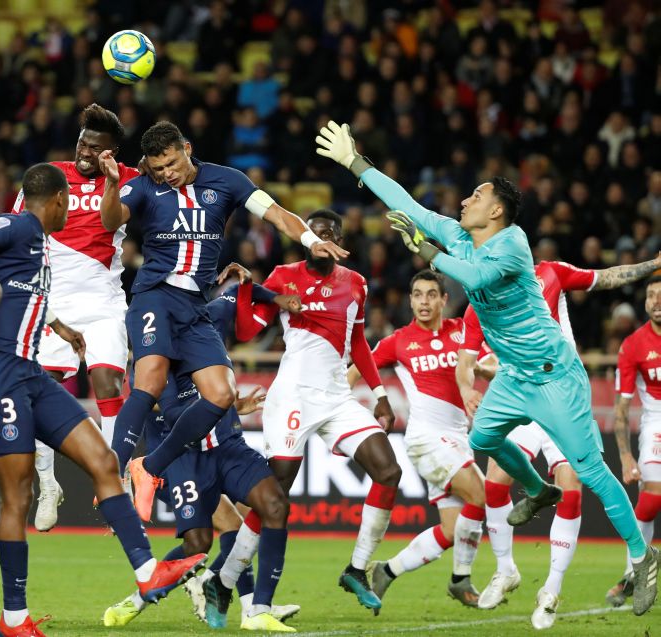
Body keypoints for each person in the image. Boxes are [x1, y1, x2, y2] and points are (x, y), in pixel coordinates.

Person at [314, 119, 658, 617]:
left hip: (554, 375)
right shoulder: (458, 234)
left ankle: (642, 556)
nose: (464, 200)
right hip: (515, 377)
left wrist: (426, 249)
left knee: (590, 471)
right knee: (481, 442)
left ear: (495, 209)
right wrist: (354, 162)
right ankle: (536, 489)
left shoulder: (513, 242)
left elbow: (473, 275)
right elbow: (408, 206)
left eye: (476, 195)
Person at [0, 163, 206, 637]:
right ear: (60, 200)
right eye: (71, 203)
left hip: (30, 374)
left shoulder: (44, 246)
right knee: (16, 496)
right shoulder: (21, 225)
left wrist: (59, 327)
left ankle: (148, 574)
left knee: (104, 461)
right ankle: (14, 619)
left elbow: (30, 296)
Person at [99, 121, 347, 522]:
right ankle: (109, 475)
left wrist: (310, 241)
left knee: (220, 393)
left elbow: (279, 215)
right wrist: (112, 185)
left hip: (195, 306)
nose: (167, 173)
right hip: (155, 295)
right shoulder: (142, 186)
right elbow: (111, 222)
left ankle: (148, 468)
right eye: (158, 167)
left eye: (172, 163)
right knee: (150, 378)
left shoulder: (227, 181)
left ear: (187, 148)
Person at [456, 253, 661, 626]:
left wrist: (651, 264)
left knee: (577, 483)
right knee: (495, 477)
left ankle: (551, 589)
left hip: (561, 392)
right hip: (517, 391)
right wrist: (469, 385)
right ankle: (506, 570)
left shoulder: (548, 274)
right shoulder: (479, 299)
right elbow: (466, 360)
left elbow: (608, 276)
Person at [218, 210, 398, 614]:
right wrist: (250, 290)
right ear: (304, 238)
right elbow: (248, 332)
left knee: (389, 470)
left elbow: (358, 343)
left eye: (331, 231)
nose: (323, 237)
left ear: (341, 239)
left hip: (336, 397)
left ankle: (356, 568)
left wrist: (380, 392)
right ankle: (225, 580)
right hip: (294, 397)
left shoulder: (356, 284)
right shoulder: (285, 275)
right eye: (316, 232)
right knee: (274, 497)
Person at [105, 263, 301, 632]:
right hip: (185, 458)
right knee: (199, 543)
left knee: (273, 504)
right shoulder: (150, 361)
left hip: (227, 445)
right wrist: (223, 402)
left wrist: (274, 297)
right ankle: (137, 600)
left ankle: (257, 609)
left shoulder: (206, 317)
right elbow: (168, 407)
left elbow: (240, 290)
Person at [10, 104, 141, 531]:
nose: (86, 151)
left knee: (107, 381)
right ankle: (49, 484)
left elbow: (116, 221)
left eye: (96, 147)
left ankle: (116, 477)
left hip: (102, 302)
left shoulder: (129, 181)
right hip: (54, 303)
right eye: (83, 142)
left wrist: (113, 180)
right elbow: (19, 231)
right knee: (38, 395)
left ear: (112, 152)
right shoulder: (49, 176)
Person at [347, 270, 486, 608]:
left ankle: (388, 571)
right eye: (418, 295)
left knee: (453, 531)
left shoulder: (463, 333)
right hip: (427, 439)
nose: (424, 302)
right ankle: (460, 579)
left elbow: (488, 360)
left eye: (431, 295)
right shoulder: (398, 341)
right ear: (410, 300)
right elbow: (353, 373)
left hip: (456, 439)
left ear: (443, 300)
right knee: (482, 494)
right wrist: (343, 416)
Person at [609, 277, 661, 609]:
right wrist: (626, 456)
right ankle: (633, 573)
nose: (657, 300)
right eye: (652, 295)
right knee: (652, 497)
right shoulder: (633, 345)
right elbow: (621, 408)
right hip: (657, 424)